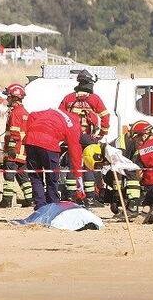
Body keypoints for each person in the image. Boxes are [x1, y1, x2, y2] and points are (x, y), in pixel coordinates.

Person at [59, 70, 110, 201]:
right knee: (89, 166)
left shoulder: (69, 98)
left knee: (73, 165)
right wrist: (101, 134)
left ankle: (70, 196)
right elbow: (105, 116)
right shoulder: (94, 98)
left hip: (72, 138)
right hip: (89, 137)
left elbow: (60, 116)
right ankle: (91, 198)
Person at [23, 108, 84, 209]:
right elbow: (75, 152)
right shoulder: (74, 125)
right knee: (52, 177)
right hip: (49, 143)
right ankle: (53, 206)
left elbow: (32, 115)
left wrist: (30, 133)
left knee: (35, 176)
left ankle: (40, 206)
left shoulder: (56, 111)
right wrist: (78, 177)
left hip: (30, 140)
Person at [0, 84, 33, 208]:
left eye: (9, 97)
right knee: (23, 177)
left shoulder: (15, 113)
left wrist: (11, 148)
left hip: (14, 151)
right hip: (22, 152)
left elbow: (15, 133)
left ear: (14, 98)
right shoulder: (25, 112)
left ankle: (7, 200)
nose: (7, 99)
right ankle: (30, 199)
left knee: (9, 176)